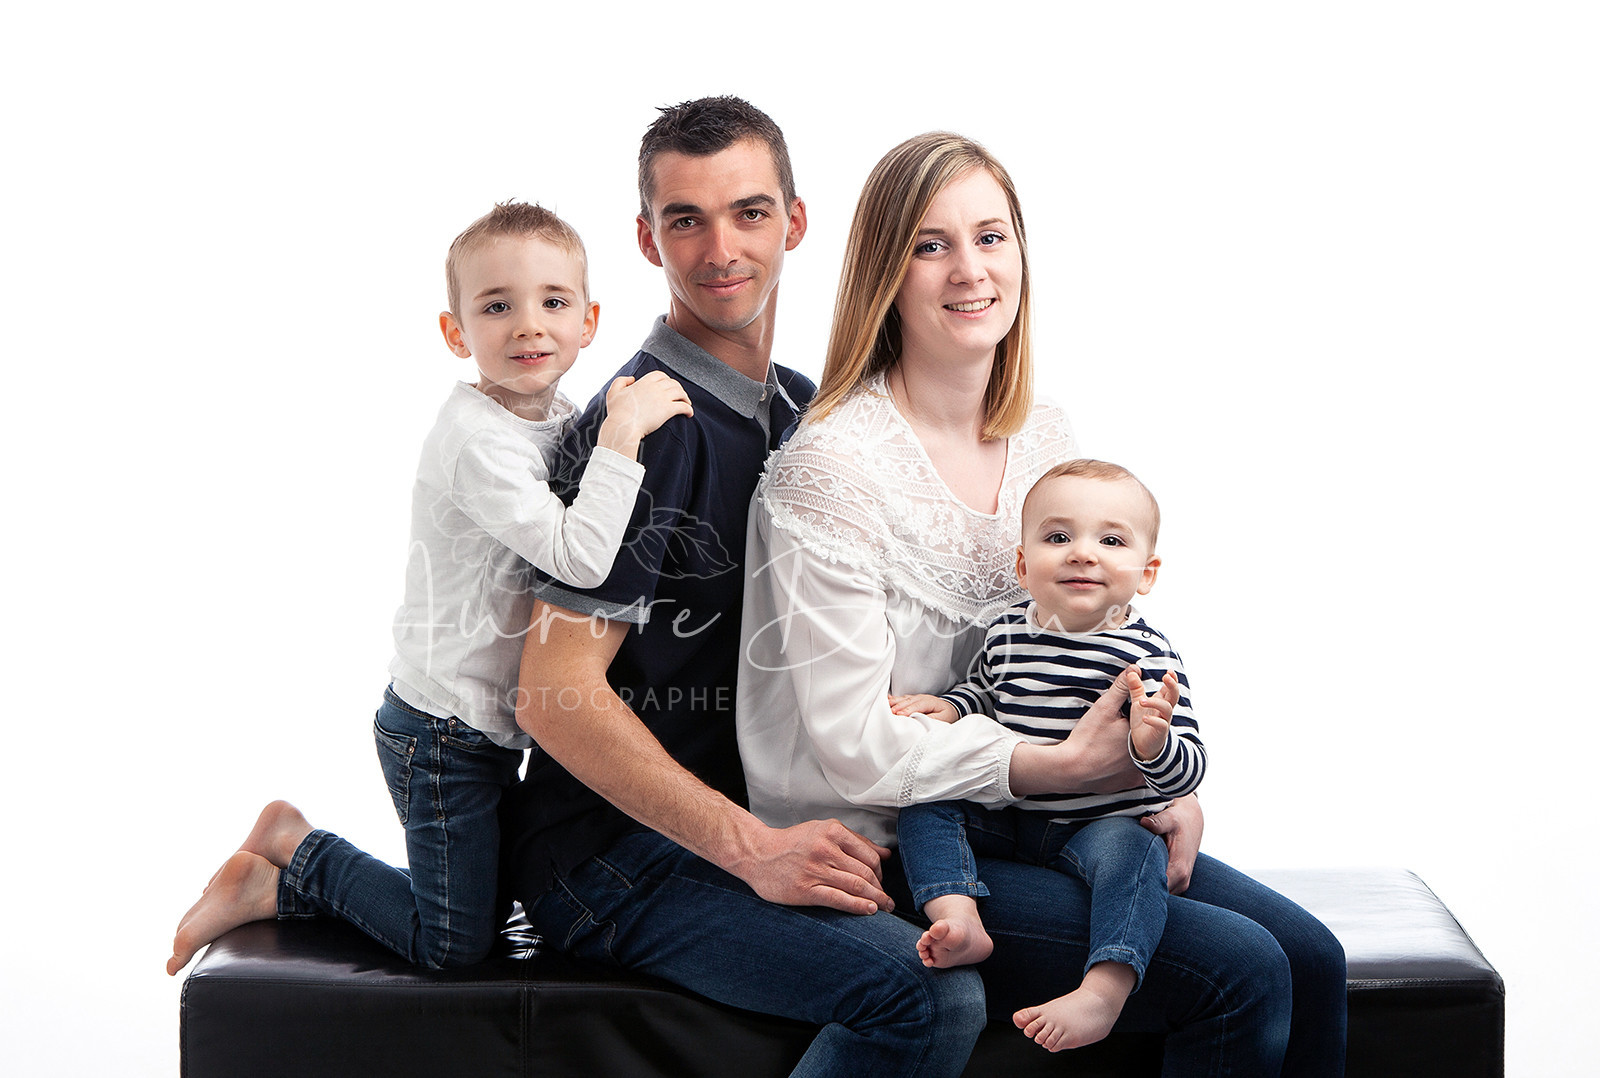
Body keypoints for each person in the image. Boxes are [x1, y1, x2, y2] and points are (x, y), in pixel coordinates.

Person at [737, 132, 1348, 1073]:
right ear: (884, 274)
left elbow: (1091, 638)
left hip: (1048, 817)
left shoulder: (1041, 434)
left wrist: (1164, 781)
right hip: (904, 839)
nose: (970, 269)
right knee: (1240, 970)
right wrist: (1058, 769)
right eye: (931, 245)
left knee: (1312, 956)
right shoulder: (833, 466)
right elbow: (851, 744)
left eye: (991, 237)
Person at [497, 97, 996, 1078]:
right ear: (648, 239)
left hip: (764, 819)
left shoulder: (807, 413)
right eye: (686, 219)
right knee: (925, 994)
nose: (721, 250)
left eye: (750, 213)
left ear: (794, 223)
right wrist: (751, 848)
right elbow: (551, 696)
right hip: (611, 856)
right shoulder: (642, 428)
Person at [165, 202, 692, 975]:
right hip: (442, 731)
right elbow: (578, 557)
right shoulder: (476, 441)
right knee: (453, 944)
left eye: (553, 301)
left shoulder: (555, 416)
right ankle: (292, 853)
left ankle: (285, 871)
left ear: (589, 322)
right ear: (456, 332)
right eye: (497, 307)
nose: (528, 325)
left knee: (485, 898)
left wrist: (610, 421)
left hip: (485, 726)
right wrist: (622, 435)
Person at [888, 458, 1204, 1051]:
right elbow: (987, 691)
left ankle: (1105, 987)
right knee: (925, 798)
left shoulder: (1147, 657)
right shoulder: (1008, 631)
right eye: (1058, 537)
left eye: (1111, 541)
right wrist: (952, 706)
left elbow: (1190, 769)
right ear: (1022, 565)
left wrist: (1153, 745)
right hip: (1015, 816)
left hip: (1097, 827)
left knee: (1137, 854)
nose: (1082, 553)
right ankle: (959, 916)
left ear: (1147, 574)